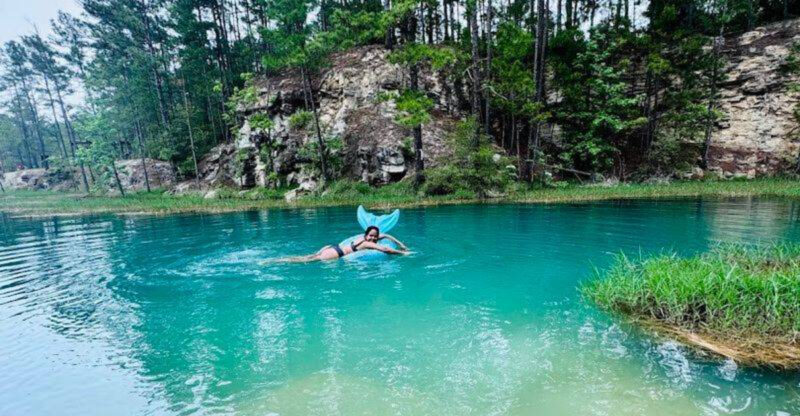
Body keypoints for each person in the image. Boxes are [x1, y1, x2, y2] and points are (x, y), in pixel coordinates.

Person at [269, 226, 410, 263]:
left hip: (331, 247)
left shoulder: (363, 239)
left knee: (308, 256)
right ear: (366, 235)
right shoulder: (367, 243)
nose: (373, 238)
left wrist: (400, 244)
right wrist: (403, 253)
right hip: (335, 253)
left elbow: (386, 235)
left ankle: (277, 260)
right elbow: (385, 249)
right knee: (305, 260)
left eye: (375, 236)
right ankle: (277, 261)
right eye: (371, 236)